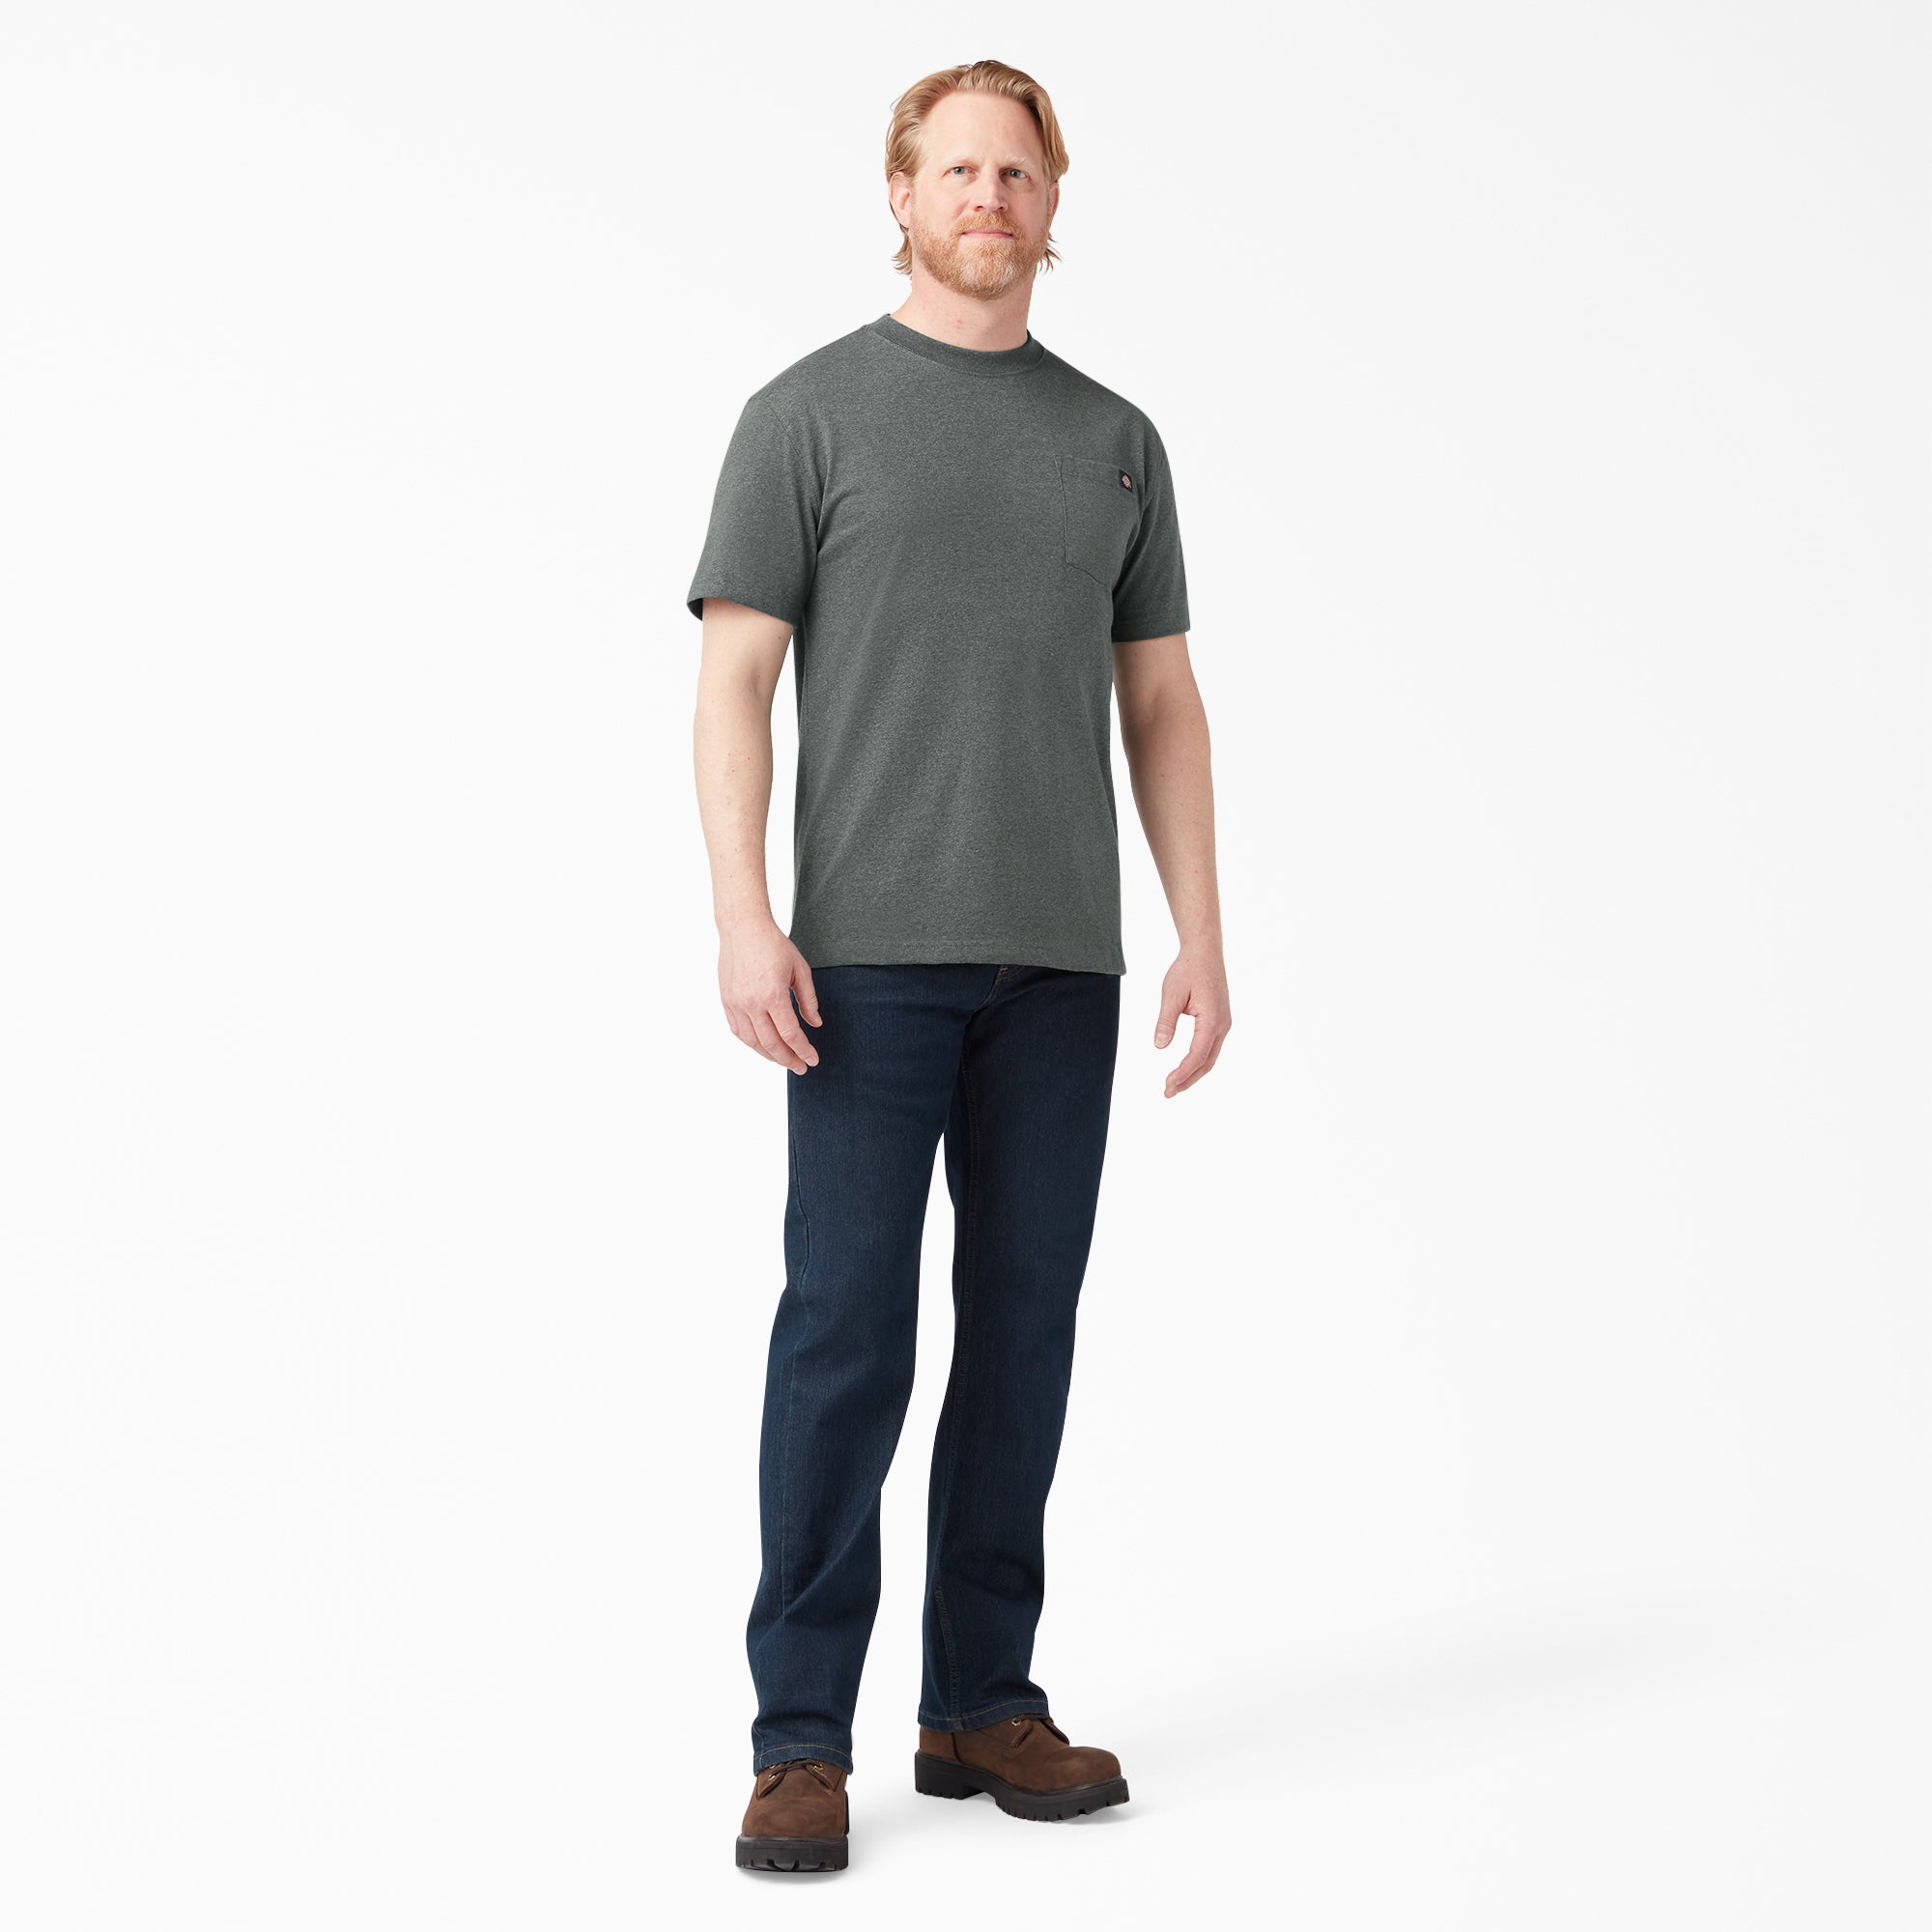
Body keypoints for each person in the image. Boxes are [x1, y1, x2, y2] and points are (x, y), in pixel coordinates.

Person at [685, 57, 1231, 1874]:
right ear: (901, 194)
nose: (989, 198)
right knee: (845, 1339)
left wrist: (1199, 934)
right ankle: (798, 1738)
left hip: (1061, 966)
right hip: (863, 966)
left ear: (1053, 203)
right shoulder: (805, 417)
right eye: (958, 170)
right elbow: (735, 681)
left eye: (1018, 172)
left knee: (1022, 1336)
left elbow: (1163, 702)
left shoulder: (1117, 441)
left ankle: (979, 1702)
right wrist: (743, 916)